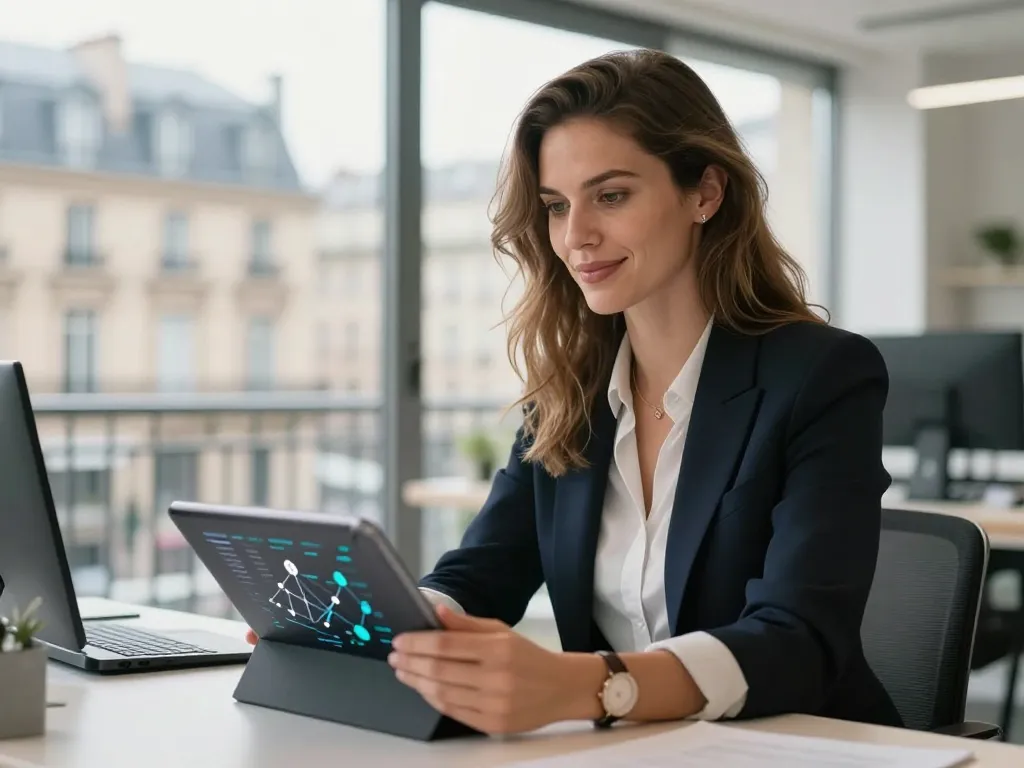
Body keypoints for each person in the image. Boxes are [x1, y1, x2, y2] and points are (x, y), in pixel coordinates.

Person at [248, 48, 902, 736]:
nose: (576, 236)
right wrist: (375, 629)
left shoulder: (822, 376)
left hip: (804, 746)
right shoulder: (569, 396)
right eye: (556, 206)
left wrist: (592, 687)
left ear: (705, 193)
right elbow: (481, 575)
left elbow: (799, 639)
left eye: (611, 196)